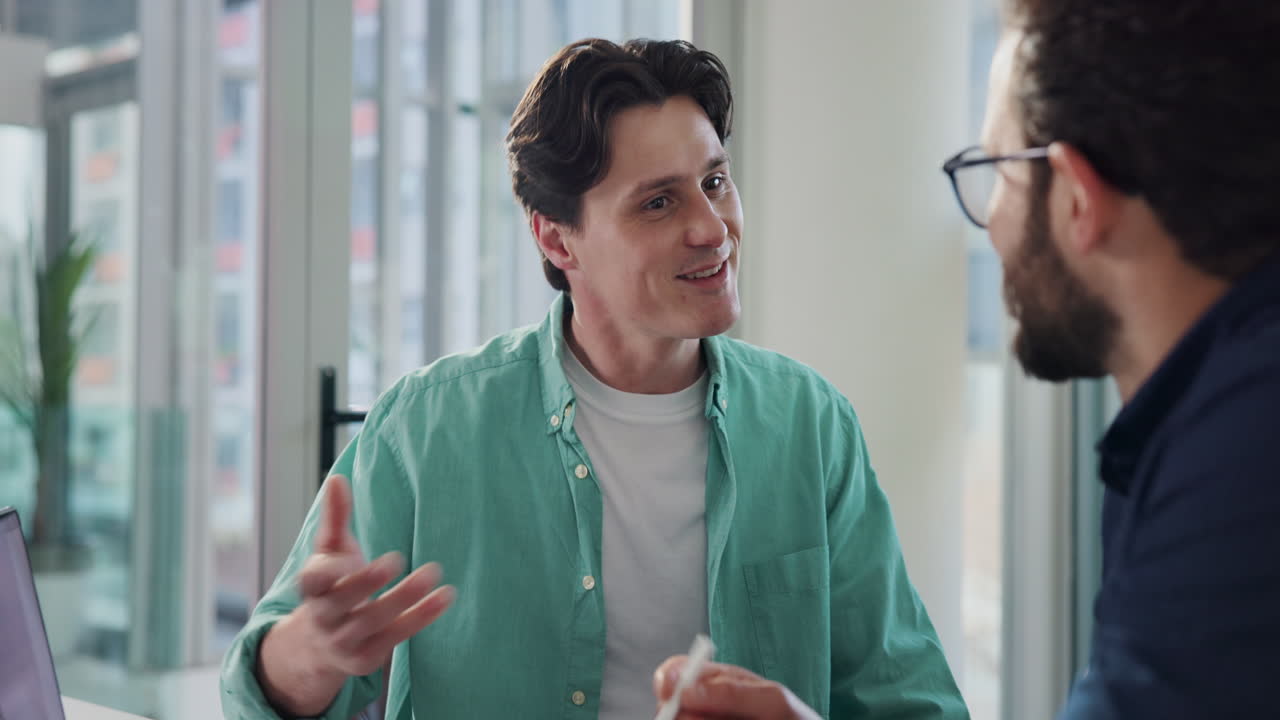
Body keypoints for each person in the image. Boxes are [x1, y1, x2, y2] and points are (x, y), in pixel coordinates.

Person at [220, 38, 967, 720]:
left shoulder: (809, 424)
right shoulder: (426, 427)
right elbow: (254, 696)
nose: (712, 227)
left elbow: (912, 703)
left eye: (715, 181)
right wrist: (313, 651)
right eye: (659, 201)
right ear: (555, 236)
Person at [653, 1, 1280, 718]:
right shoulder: (1214, 426)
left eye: (999, 174)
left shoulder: (1233, 488)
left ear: (1077, 195)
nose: (990, 230)